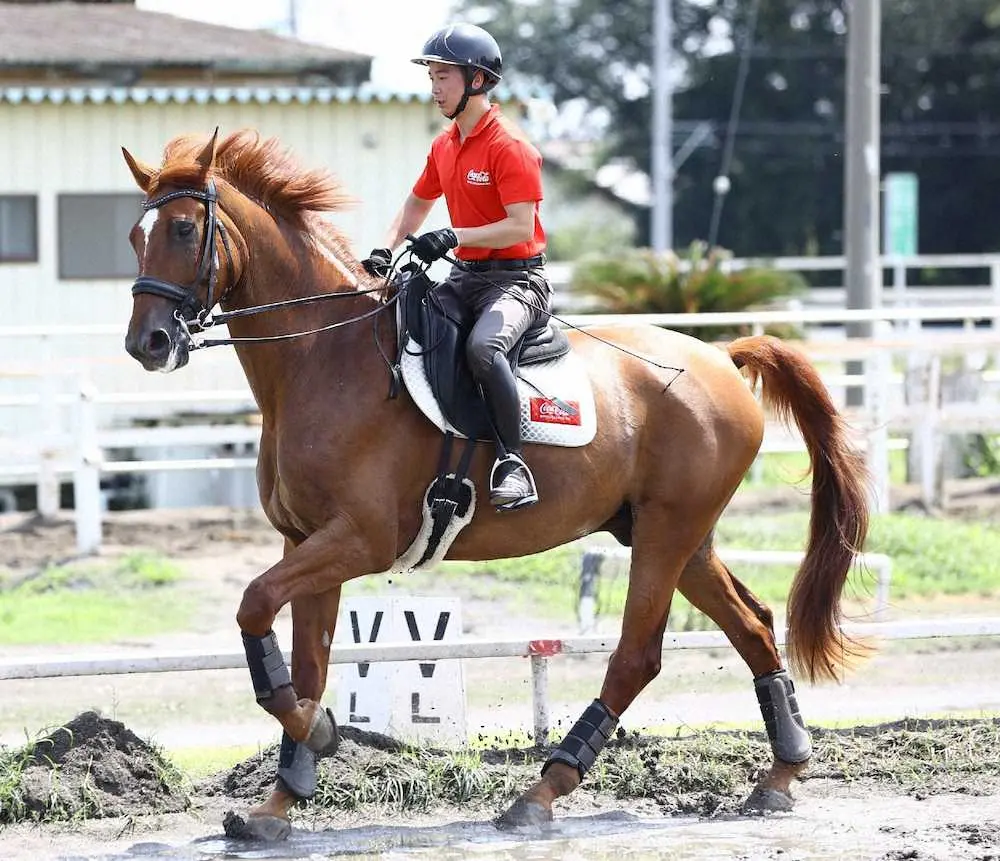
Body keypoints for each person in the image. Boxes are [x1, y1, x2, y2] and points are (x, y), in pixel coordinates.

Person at [362, 22, 553, 512]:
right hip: (466, 278)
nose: (434, 87)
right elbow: (415, 205)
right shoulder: (445, 145)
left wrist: (454, 236)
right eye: (432, 76)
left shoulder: (509, 146)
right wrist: (385, 249)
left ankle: (514, 462)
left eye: (443, 76)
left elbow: (518, 226)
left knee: (484, 350)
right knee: (398, 321)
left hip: (517, 283)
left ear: (477, 80)